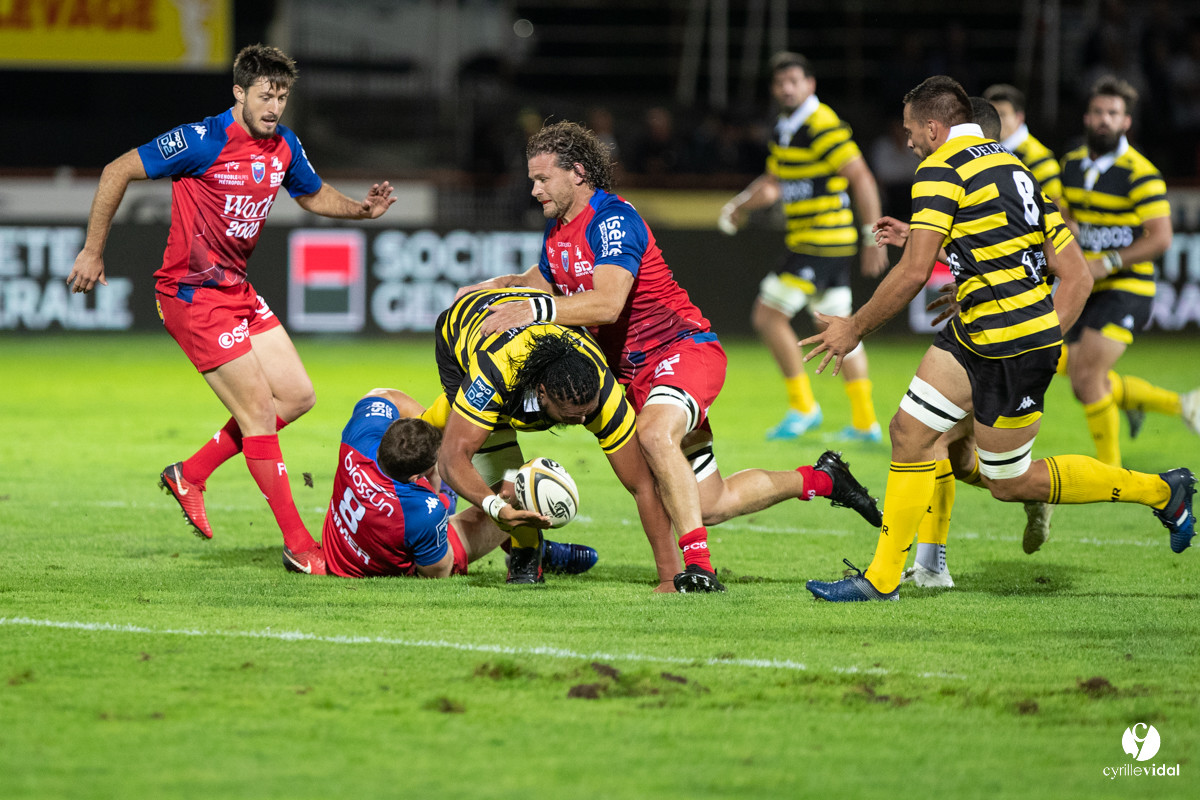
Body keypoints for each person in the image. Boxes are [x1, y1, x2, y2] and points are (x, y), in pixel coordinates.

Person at [802, 75, 1195, 602]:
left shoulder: (940, 168)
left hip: (1011, 347)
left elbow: (913, 271)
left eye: (911, 131)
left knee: (1009, 482)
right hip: (976, 335)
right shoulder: (1014, 167)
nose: (909, 142)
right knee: (910, 433)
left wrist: (853, 328)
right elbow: (1072, 272)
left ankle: (1163, 490)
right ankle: (882, 579)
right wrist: (1022, 315)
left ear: (934, 128)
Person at [459, 121, 883, 594]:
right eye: (532, 179)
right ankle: (823, 479)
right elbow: (544, 278)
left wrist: (535, 309)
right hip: (634, 375)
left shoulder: (612, 220)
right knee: (709, 503)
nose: (534, 189)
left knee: (655, 432)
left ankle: (698, 570)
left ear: (577, 172)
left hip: (680, 349)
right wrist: (495, 286)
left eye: (542, 178)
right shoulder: (558, 230)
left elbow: (608, 303)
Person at [65, 44, 397, 576]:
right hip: (191, 296)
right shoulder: (201, 140)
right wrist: (92, 250)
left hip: (237, 289)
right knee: (259, 414)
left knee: (298, 396)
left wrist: (361, 210)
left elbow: (311, 194)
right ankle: (299, 547)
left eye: (282, 97)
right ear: (239, 92)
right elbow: (116, 170)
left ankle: (191, 474)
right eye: (266, 96)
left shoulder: (284, 144)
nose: (275, 107)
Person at [420, 287, 678, 588]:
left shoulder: (602, 394)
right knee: (499, 465)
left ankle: (530, 546)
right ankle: (527, 550)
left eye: (587, 413)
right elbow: (452, 459)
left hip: (531, 331)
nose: (582, 421)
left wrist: (670, 576)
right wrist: (495, 507)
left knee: (501, 462)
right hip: (465, 328)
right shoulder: (495, 372)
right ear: (542, 393)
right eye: (571, 416)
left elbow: (643, 485)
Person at [718, 51, 889, 442]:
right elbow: (773, 183)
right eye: (780, 83)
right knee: (838, 327)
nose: (787, 89)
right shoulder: (785, 127)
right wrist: (740, 206)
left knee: (767, 315)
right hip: (818, 242)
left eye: (794, 81)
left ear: (810, 85)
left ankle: (802, 407)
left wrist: (872, 236)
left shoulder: (821, 124)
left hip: (821, 241)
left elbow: (861, 177)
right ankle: (865, 422)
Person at [1058, 76, 1200, 468]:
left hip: (1127, 288)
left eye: (1113, 113)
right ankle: (1180, 404)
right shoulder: (1071, 165)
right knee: (1078, 378)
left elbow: (1162, 238)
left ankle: (1111, 474)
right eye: (1098, 112)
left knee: (1087, 378)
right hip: (1085, 285)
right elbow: (1067, 215)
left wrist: (1108, 261)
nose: (1104, 119)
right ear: (1087, 118)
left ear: (1126, 122)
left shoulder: (1141, 173)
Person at [321, 387, 597, 579]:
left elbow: (382, 395)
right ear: (418, 478)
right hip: (397, 555)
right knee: (516, 493)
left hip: (341, 551)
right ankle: (535, 551)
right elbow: (438, 571)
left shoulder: (360, 437)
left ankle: (524, 544)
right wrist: (444, 500)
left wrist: (435, 436)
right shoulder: (424, 511)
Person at [982, 84, 1064, 205]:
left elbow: (1055, 208)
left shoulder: (1040, 160)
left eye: (1002, 114)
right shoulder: (983, 149)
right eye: (992, 114)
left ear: (1019, 118)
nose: (996, 120)